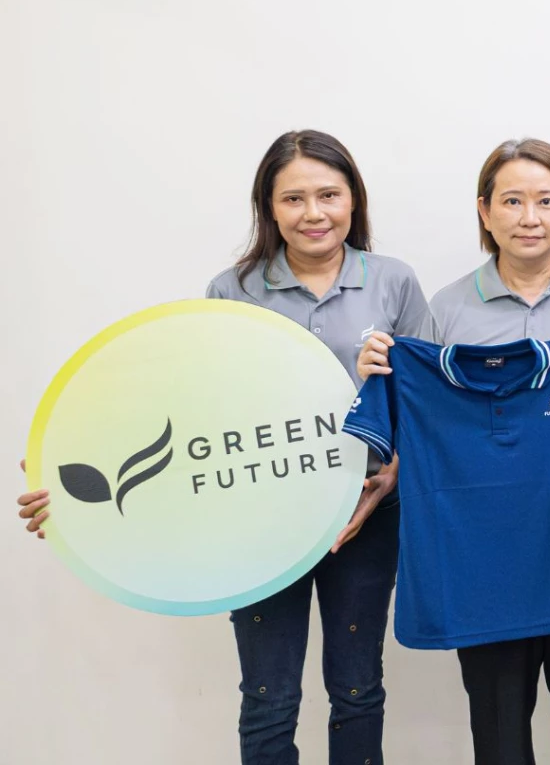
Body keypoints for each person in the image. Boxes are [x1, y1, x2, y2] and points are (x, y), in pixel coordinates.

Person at [16, 130, 428, 765]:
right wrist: (72, 451)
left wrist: (393, 474)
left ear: (354, 199)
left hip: (366, 517)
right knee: (269, 697)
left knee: (356, 689)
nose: (313, 213)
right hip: (259, 523)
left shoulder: (394, 282)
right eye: (293, 198)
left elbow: (426, 403)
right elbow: (193, 408)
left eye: (329, 195)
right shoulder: (233, 290)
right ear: (269, 207)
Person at [356, 137, 550, 765]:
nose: (529, 217)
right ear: (484, 211)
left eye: (547, 200)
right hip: (480, 550)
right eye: (512, 201)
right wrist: (380, 372)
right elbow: (421, 424)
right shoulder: (447, 307)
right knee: (497, 728)